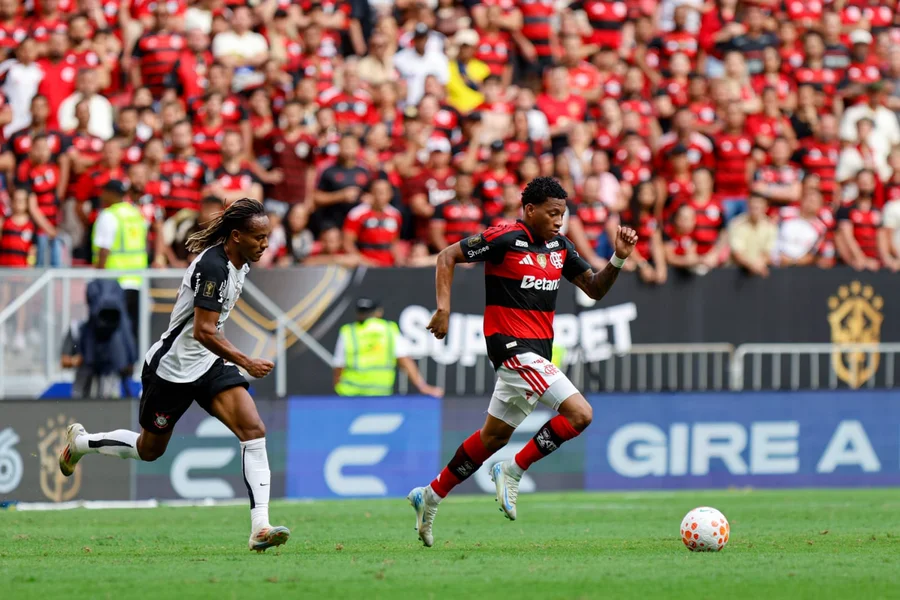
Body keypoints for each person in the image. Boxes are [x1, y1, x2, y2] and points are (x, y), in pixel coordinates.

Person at [407, 176, 638, 547]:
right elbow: (447, 255)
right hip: (510, 348)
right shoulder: (503, 238)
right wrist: (444, 308)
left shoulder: (561, 247)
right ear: (529, 209)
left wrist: (619, 258)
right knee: (581, 414)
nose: (559, 221)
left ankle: (430, 495)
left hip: (535, 355)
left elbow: (594, 288)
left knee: (493, 437)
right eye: (552, 213)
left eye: (562, 213)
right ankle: (514, 470)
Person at [58, 198, 291, 553]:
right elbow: (203, 331)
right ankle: (82, 444)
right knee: (148, 450)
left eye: (267, 237)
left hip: (209, 364)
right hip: (173, 369)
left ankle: (260, 526)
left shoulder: (239, 261)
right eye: (258, 237)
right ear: (236, 236)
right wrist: (246, 361)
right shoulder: (214, 267)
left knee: (253, 429)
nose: (265, 244)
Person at [332, 298, 443, 398]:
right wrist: (422, 386)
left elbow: (339, 366)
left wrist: (338, 390)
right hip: (380, 395)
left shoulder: (348, 331)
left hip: (350, 395)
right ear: (379, 312)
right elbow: (405, 361)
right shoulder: (389, 330)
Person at [60, 279, 138, 399]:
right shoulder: (78, 329)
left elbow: (129, 368)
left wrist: (120, 360)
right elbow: (64, 361)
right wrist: (80, 360)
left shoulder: (119, 335)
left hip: (109, 394)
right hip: (83, 395)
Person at [92, 180, 147, 341]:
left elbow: (104, 250)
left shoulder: (109, 215)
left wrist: (98, 279)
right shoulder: (135, 214)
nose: (101, 196)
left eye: (104, 192)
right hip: (137, 280)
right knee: (132, 330)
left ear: (111, 194)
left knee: (114, 332)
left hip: (114, 282)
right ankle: (131, 365)